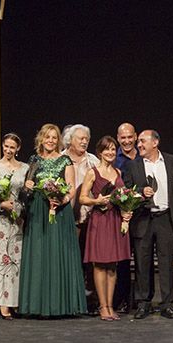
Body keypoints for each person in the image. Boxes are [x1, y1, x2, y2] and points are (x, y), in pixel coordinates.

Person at [19, 123, 87, 317]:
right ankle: (36, 306)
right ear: (40, 138)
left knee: (58, 255)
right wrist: (28, 186)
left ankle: (61, 305)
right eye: (47, 137)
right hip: (37, 212)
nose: (50, 140)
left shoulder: (65, 160)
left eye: (54, 137)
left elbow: (71, 187)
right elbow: (26, 188)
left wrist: (61, 200)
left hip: (59, 212)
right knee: (39, 255)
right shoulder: (34, 160)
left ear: (58, 141)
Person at [123, 129, 173, 320]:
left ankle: (166, 304)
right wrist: (141, 191)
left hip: (164, 218)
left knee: (166, 263)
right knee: (142, 262)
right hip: (143, 218)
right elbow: (127, 190)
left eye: (142, 141)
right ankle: (143, 303)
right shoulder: (133, 165)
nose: (138, 144)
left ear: (155, 142)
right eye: (138, 141)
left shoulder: (171, 161)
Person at [80, 136, 132, 321]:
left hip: (115, 221)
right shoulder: (92, 172)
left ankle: (111, 305)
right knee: (100, 264)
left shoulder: (118, 171)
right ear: (100, 152)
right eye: (106, 149)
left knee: (112, 265)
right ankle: (102, 306)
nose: (110, 152)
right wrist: (97, 201)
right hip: (100, 221)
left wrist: (127, 212)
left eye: (112, 149)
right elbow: (82, 198)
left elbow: (124, 197)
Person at [0, 132, 29, 320]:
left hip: (19, 219)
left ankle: (17, 302)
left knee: (18, 261)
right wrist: (0, 204)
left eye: (12, 147)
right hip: (3, 218)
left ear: (18, 149)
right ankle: (4, 303)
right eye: (6, 146)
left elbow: (26, 193)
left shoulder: (25, 168)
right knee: (3, 259)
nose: (9, 150)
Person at [61, 124, 100, 315]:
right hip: (64, 219)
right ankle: (68, 301)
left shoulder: (93, 161)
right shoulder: (60, 159)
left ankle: (90, 302)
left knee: (89, 262)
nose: (84, 141)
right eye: (80, 138)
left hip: (89, 219)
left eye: (86, 139)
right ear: (70, 140)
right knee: (68, 261)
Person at [113, 122, 138, 314]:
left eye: (130, 137)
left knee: (141, 260)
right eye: (123, 137)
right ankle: (121, 299)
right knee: (122, 261)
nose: (127, 141)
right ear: (118, 138)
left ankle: (139, 299)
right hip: (119, 217)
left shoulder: (143, 156)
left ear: (136, 137)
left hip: (142, 216)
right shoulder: (114, 159)